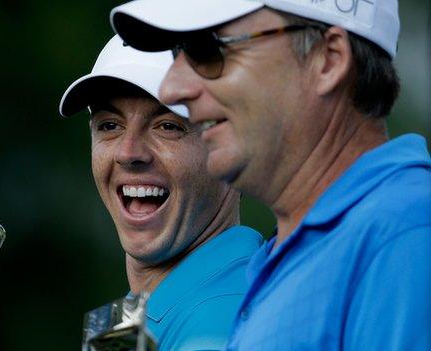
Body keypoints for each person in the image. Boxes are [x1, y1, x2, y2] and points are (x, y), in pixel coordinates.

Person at [110, 0, 431, 350]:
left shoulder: (407, 234)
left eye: (209, 50)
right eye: (177, 53)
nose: (173, 89)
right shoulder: (292, 256)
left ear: (328, 59)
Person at [60, 35, 263, 350]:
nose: (128, 152)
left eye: (168, 126)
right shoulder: (155, 310)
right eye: (109, 125)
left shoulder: (224, 322)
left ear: (232, 151)